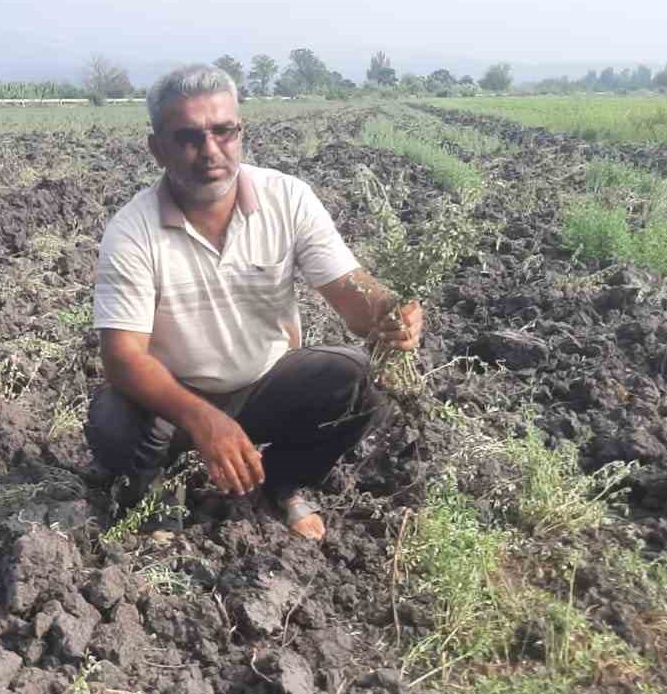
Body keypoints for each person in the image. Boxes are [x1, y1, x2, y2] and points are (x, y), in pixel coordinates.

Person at [85, 64, 424, 540]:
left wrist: (391, 312)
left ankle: (282, 482)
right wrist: (204, 419)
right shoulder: (132, 230)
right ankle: (156, 496)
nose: (210, 152)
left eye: (224, 132)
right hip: (175, 401)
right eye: (188, 137)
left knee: (359, 380)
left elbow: (351, 293)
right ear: (157, 148)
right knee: (113, 421)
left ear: (240, 131)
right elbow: (122, 357)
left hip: (267, 387)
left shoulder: (287, 198)